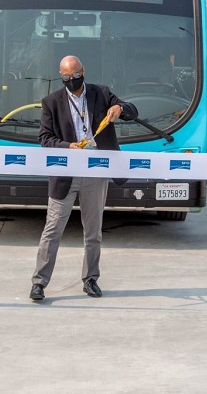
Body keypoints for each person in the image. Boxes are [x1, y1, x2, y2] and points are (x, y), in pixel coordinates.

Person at [30, 55, 137, 301]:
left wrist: (120, 108)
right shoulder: (51, 102)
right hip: (66, 172)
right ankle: (39, 282)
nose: (71, 80)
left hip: (96, 172)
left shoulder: (101, 93)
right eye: (66, 77)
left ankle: (91, 279)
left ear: (83, 71)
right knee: (53, 229)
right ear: (61, 76)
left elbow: (133, 110)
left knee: (93, 231)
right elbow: (45, 138)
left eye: (75, 75)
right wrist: (68, 146)